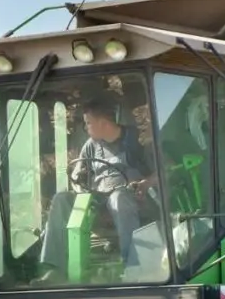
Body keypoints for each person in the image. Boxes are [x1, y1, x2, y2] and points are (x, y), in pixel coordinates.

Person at [34, 96, 158, 285]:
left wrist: (145, 183)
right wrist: (80, 189)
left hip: (134, 200)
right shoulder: (91, 146)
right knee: (62, 198)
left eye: (88, 123)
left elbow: (165, 170)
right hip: (99, 203)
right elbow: (77, 176)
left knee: (118, 197)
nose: (86, 128)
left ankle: (133, 267)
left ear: (102, 122)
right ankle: (54, 269)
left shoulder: (136, 141)